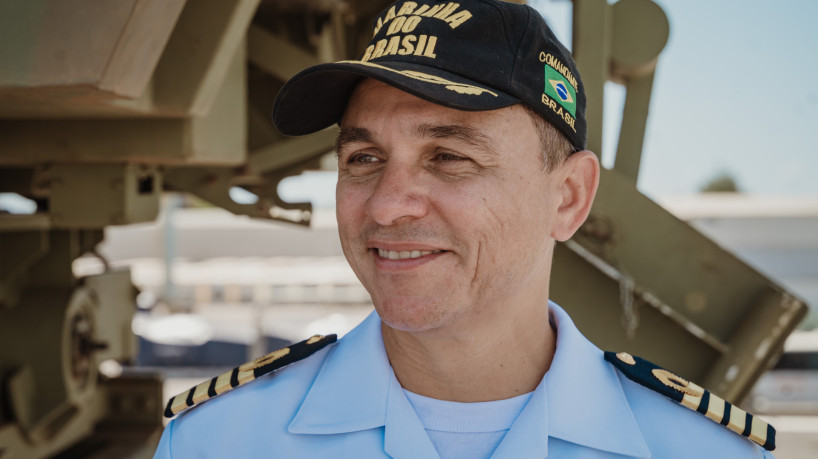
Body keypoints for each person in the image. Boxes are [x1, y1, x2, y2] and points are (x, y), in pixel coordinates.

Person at [154, 0, 775, 457]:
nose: (389, 206)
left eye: (449, 158)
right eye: (363, 159)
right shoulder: (215, 441)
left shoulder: (706, 452)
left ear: (569, 197)